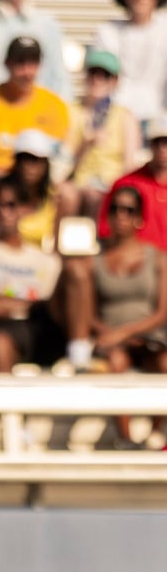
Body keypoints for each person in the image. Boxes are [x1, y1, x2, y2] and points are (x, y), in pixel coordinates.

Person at [0, 179, 71, 371]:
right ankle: (2, 401)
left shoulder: (47, 260)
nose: (3, 212)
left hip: (42, 331)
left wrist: (2, 300)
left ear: (25, 209)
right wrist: (35, 305)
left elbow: (56, 310)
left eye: (11, 205)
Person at [0, 35, 70, 222]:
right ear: (6, 64)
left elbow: (60, 155)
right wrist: (11, 178)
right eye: (20, 63)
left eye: (32, 63)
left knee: (68, 194)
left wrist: (34, 179)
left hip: (39, 181)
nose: (26, 71)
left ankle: (54, 247)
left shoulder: (54, 104)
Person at [88, 186, 167, 446]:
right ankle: (126, 438)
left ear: (139, 217)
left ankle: (157, 433)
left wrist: (126, 332)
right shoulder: (94, 260)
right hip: (110, 338)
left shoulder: (158, 258)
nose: (121, 215)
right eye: (115, 209)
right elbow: (85, 312)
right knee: (116, 360)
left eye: (128, 210)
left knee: (165, 362)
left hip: (149, 335)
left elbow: (162, 313)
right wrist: (109, 334)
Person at [59, 50, 140, 219]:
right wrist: (86, 144)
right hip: (78, 184)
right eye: (93, 73)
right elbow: (62, 165)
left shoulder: (125, 117)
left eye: (105, 75)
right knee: (67, 194)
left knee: (97, 198)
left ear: (115, 81)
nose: (97, 80)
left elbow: (129, 166)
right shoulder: (69, 112)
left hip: (111, 185)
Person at [94, 0, 167, 130]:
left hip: (159, 118)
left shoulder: (165, 29)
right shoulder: (108, 31)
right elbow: (100, 81)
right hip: (116, 118)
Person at [97, 115, 167, 252]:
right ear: (150, 144)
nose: (163, 148)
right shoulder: (126, 184)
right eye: (158, 142)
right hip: (134, 266)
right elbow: (106, 230)